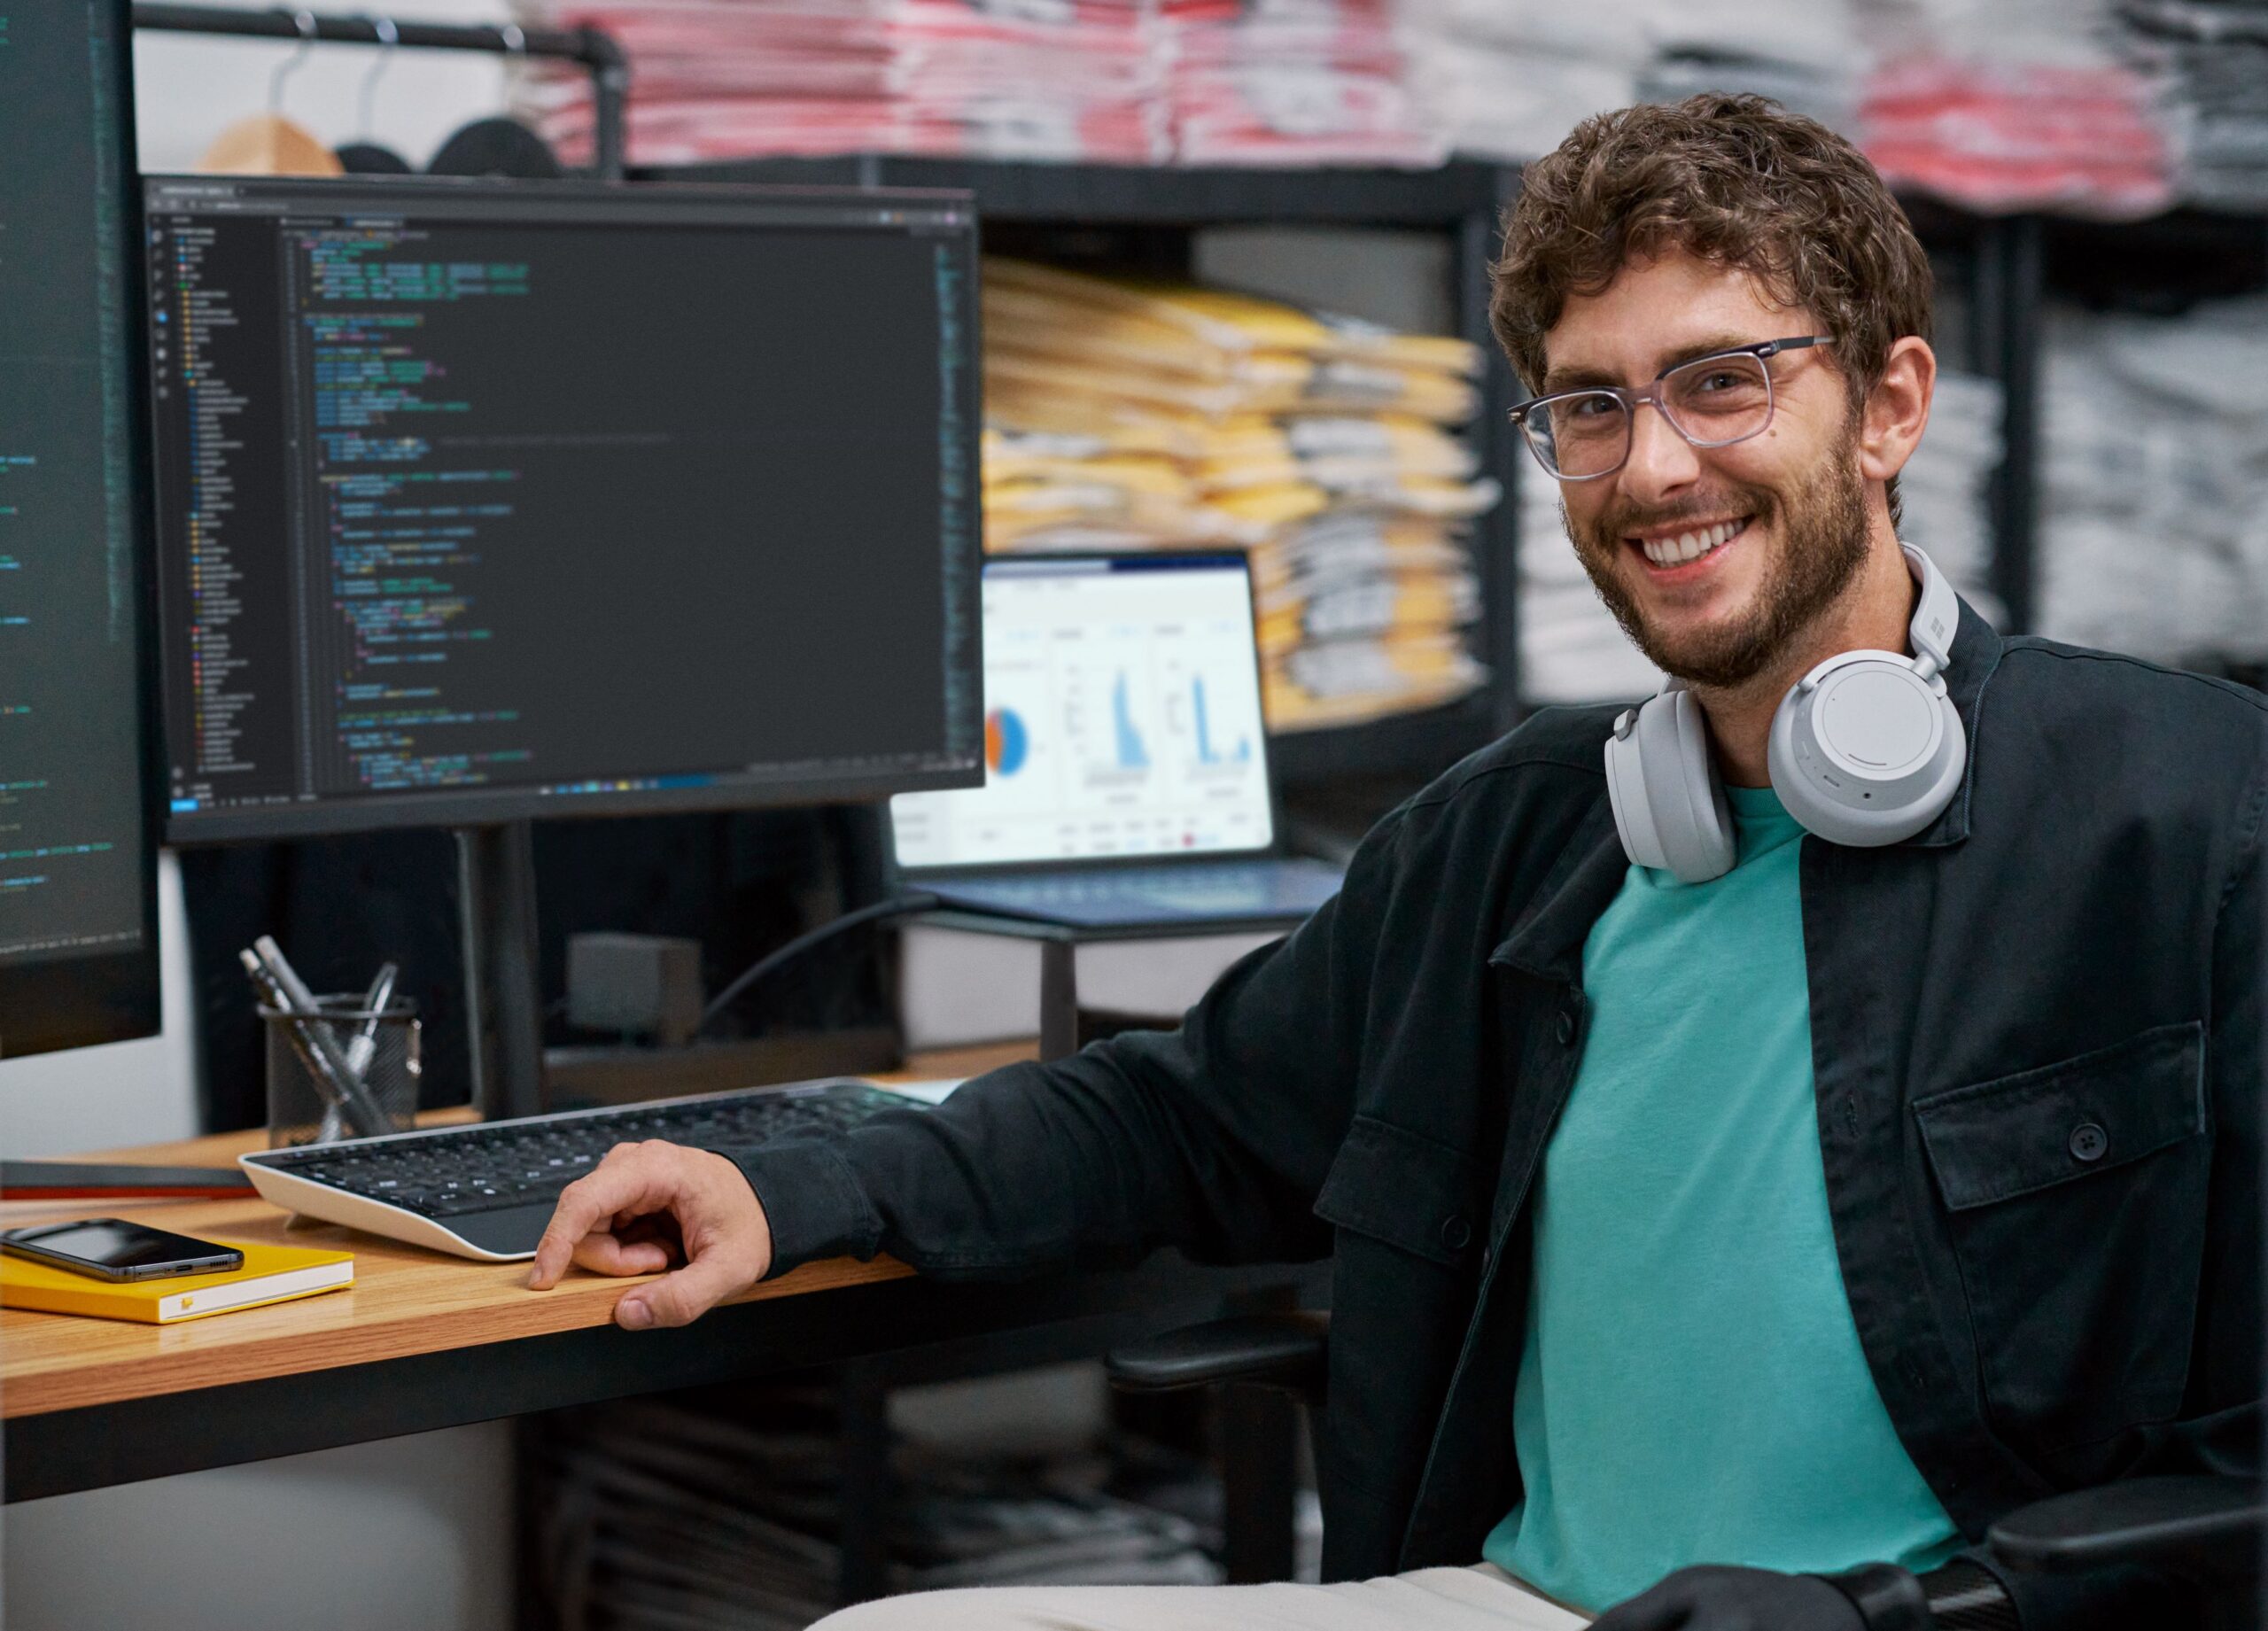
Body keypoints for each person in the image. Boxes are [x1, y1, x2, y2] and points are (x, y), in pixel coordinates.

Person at [529, 95, 2264, 1631]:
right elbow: (1184, 1117)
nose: (1649, 464)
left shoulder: (2183, 819)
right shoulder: (1517, 836)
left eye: (1720, 381)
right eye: (1586, 406)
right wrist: (805, 1183)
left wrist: (1906, 1611)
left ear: (1888, 407)